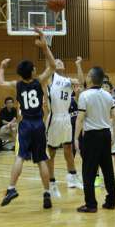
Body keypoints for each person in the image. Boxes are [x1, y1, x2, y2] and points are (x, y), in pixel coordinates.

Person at [0, 28, 56, 209]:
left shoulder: (17, 85)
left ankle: (11, 188)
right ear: (32, 71)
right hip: (38, 124)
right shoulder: (40, 81)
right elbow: (52, 66)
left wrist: (2, 68)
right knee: (41, 160)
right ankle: (46, 193)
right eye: (34, 67)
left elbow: (0, 82)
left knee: (20, 156)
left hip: (25, 125)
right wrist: (44, 47)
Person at [74, 66, 115, 213]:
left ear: (91, 79)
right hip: (105, 134)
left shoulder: (84, 95)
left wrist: (75, 138)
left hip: (91, 137)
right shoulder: (108, 95)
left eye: (88, 75)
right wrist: (113, 134)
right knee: (108, 169)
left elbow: (80, 119)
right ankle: (112, 201)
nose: (86, 77)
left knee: (88, 171)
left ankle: (91, 204)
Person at [45, 56, 84, 197]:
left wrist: (78, 65)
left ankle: (72, 176)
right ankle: (51, 182)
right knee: (52, 152)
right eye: (56, 61)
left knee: (68, 148)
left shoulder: (67, 80)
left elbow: (81, 81)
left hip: (66, 117)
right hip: (55, 117)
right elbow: (49, 63)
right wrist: (46, 47)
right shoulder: (51, 77)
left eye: (61, 61)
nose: (59, 61)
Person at [94, 80, 115, 187]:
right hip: (98, 130)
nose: (104, 88)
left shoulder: (112, 102)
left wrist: (113, 135)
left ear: (110, 90)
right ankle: (97, 177)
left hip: (109, 131)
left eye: (106, 86)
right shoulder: (95, 101)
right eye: (102, 86)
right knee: (97, 156)